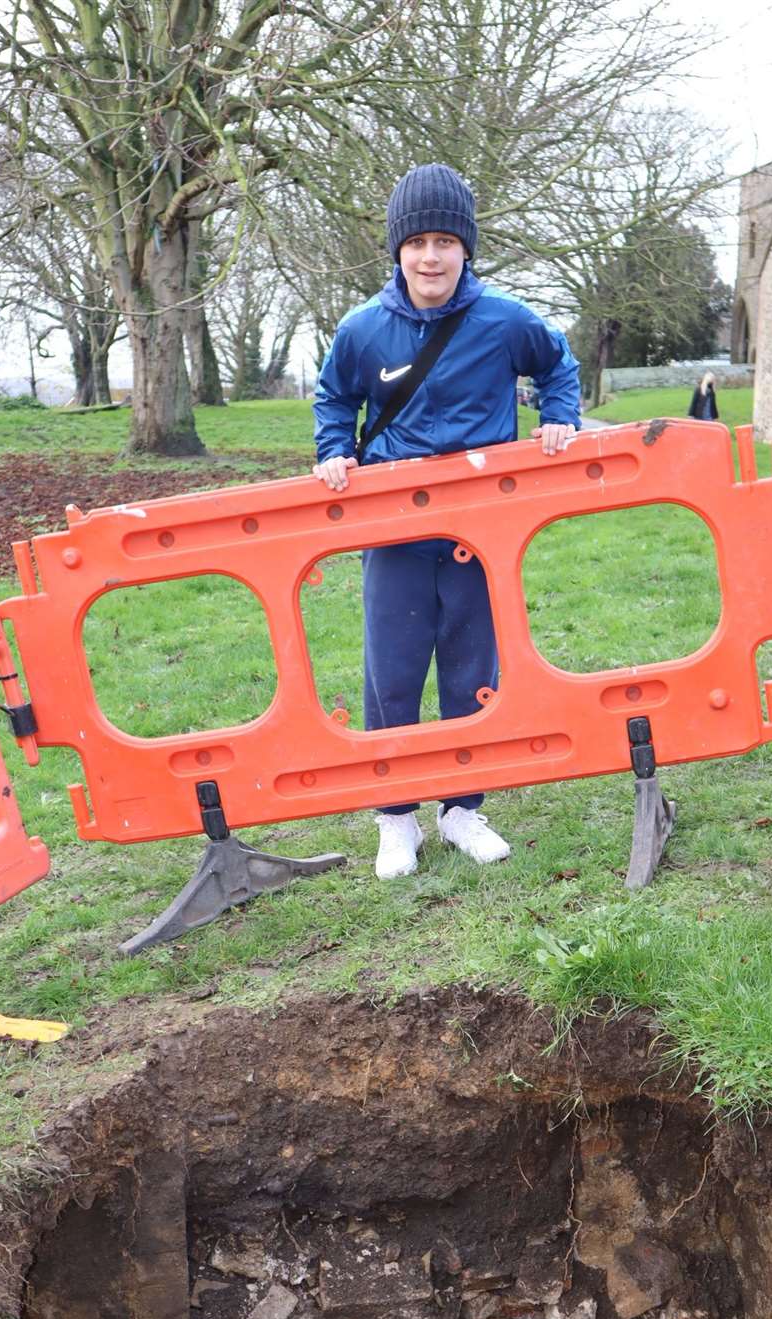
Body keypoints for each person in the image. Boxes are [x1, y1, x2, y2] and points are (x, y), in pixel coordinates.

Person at [312, 164, 581, 880]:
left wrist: (559, 418)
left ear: (466, 249)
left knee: (472, 672)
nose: (430, 257)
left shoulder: (503, 320)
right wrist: (335, 452)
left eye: (445, 241)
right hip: (395, 533)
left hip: (478, 534)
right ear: (397, 251)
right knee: (392, 678)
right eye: (417, 242)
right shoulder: (364, 329)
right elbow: (335, 398)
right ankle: (395, 817)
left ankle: (462, 808)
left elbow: (558, 364)